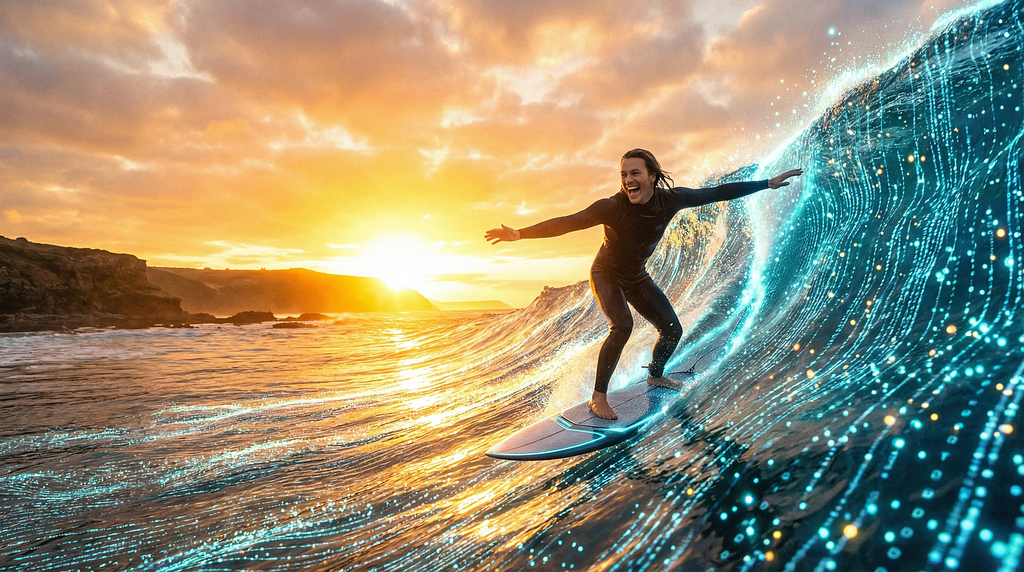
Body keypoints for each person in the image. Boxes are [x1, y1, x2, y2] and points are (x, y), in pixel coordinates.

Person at [486, 148, 802, 420]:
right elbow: (569, 223)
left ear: (651, 176)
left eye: (634, 173)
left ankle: (655, 374)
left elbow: (716, 192)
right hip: (606, 273)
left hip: (636, 275)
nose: (627, 180)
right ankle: (599, 396)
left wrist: (766, 184)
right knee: (621, 326)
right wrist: (520, 233)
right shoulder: (611, 206)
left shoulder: (671, 200)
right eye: (623, 174)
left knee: (672, 330)